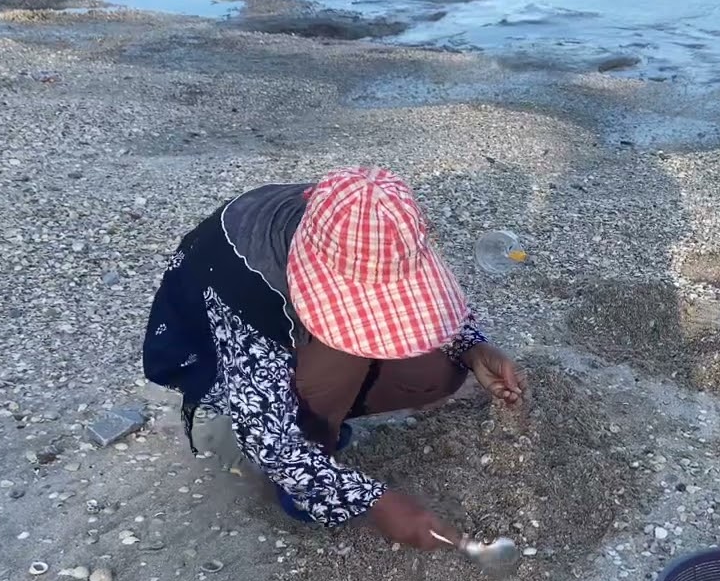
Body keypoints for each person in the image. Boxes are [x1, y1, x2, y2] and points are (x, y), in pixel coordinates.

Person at [141, 166, 522, 551]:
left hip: (297, 338)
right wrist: (373, 502)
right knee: (335, 366)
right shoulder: (250, 282)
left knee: (435, 370)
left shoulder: (372, 226)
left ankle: (329, 411)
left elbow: (424, 306)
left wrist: (471, 347)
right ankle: (312, 448)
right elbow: (267, 436)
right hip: (231, 360)